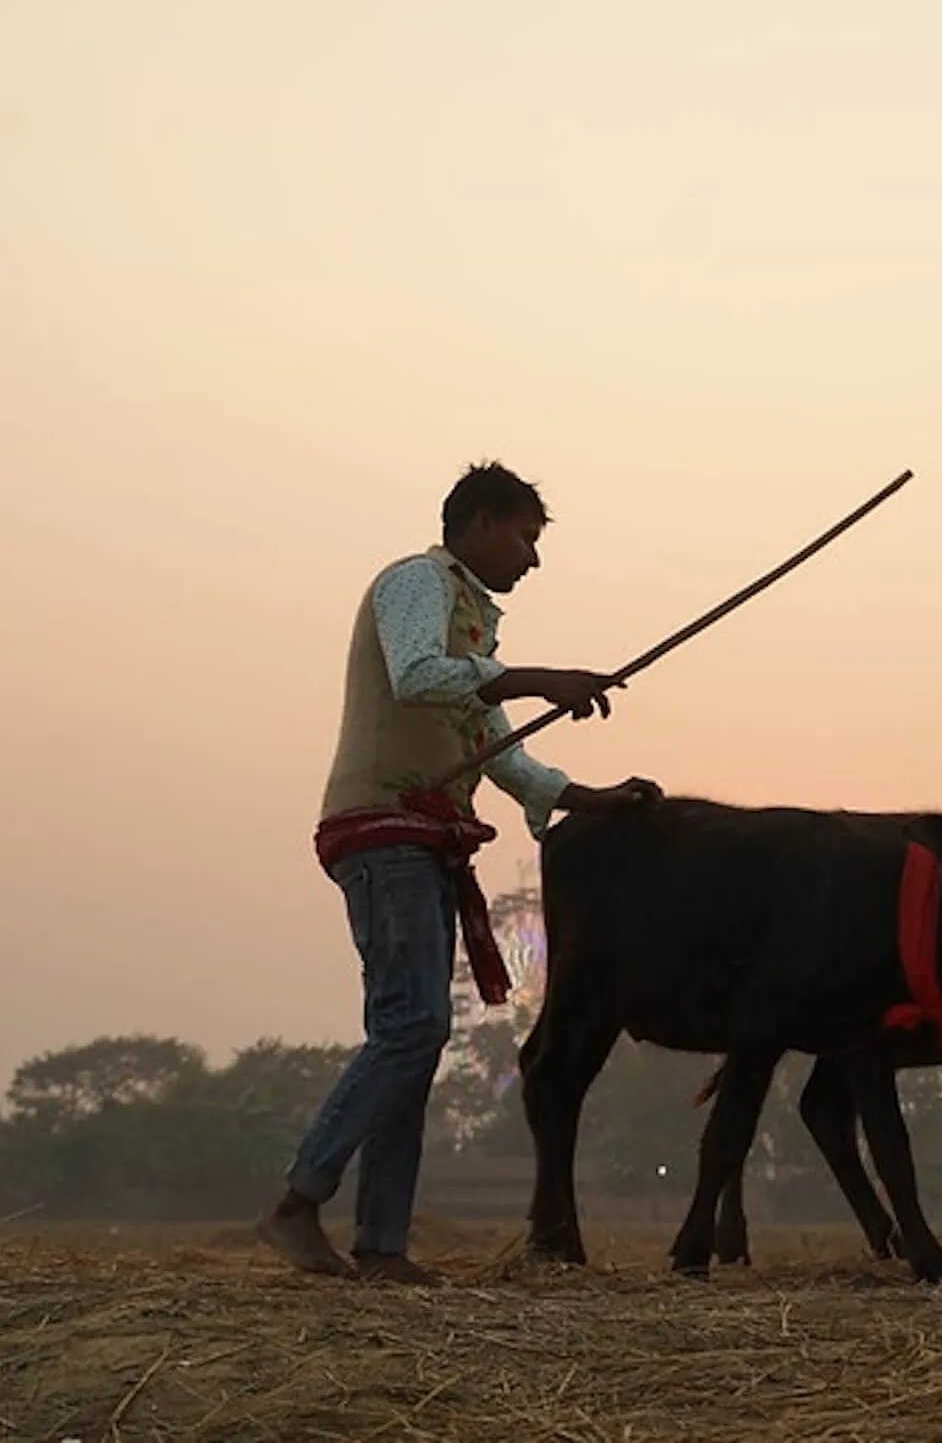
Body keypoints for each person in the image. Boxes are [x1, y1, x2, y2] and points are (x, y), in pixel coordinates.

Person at [258, 461, 662, 1284]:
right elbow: (415, 678)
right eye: (525, 537)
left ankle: (380, 1245)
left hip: (424, 836)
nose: (533, 560)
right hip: (384, 826)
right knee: (412, 1029)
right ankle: (298, 1202)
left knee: (408, 1038)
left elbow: (494, 752)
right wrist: (540, 676)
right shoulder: (417, 583)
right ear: (478, 522)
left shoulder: (474, 624)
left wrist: (593, 798)